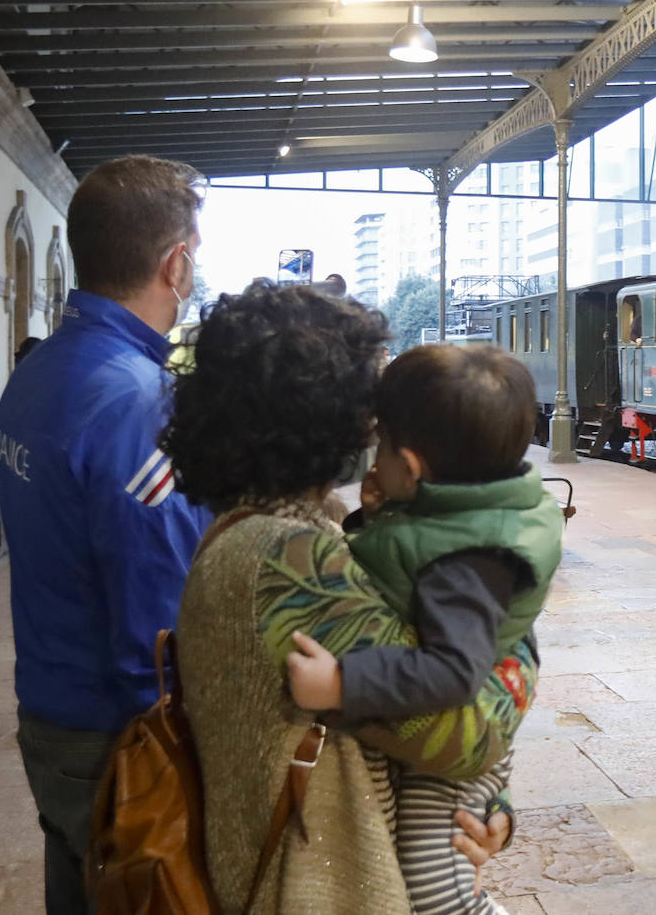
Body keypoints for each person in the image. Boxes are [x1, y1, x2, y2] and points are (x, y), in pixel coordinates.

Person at [161, 281, 526, 912]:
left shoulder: (266, 529)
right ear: (329, 414)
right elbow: (466, 732)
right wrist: (524, 647)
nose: (375, 424)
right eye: (370, 404)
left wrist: (486, 811)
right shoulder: (287, 558)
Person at [0, 155, 211, 913]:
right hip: (116, 734)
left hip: (51, 703)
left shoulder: (39, 372)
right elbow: (158, 603)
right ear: (175, 264)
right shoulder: (137, 401)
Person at [287, 344, 562, 915]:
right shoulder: (467, 513)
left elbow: (454, 670)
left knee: (439, 897)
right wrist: (377, 519)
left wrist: (342, 683)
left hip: (454, 755)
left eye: (378, 446)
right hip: (459, 736)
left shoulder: (463, 561)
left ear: (409, 468)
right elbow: (408, 566)